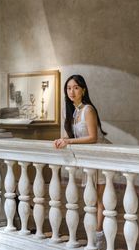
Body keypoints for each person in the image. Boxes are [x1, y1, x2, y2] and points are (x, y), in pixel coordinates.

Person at [54, 74, 107, 249]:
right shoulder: (72, 111)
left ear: (83, 90)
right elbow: (74, 136)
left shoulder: (88, 110)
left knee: (99, 199)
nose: (72, 91)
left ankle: (99, 237)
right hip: (88, 160)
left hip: (99, 157)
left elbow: (92, 138)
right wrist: (62, 139)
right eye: (68, 88)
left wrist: (68, 141)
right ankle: (94, 235)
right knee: (90, 198)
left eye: (76, 87)